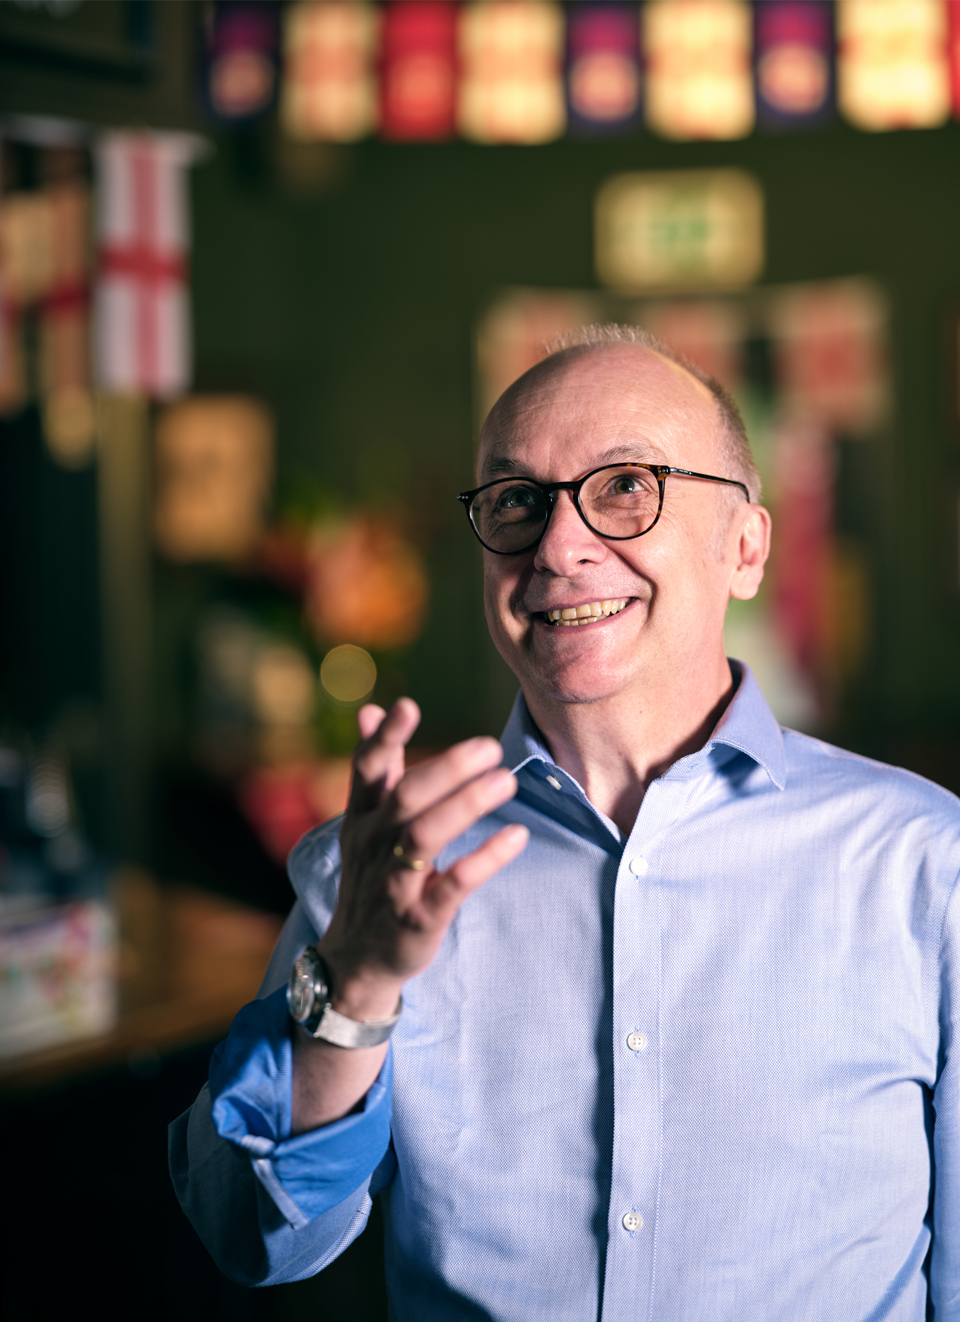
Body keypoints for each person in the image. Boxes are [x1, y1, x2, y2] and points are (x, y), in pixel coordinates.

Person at [170, 325, 960, 1321]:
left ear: (747, 547)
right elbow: (246, 1235)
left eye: (626, 484)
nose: (558, 544)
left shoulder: (928, 864)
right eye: (517, 500)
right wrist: (356, 990)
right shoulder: (379, 869)